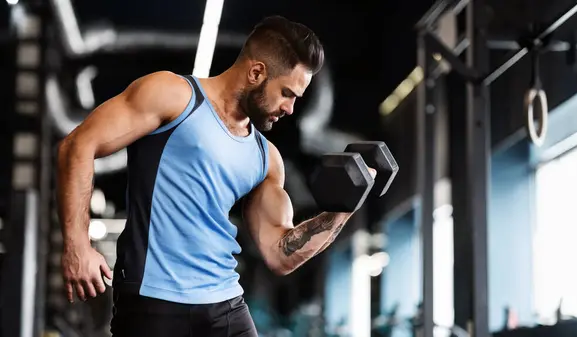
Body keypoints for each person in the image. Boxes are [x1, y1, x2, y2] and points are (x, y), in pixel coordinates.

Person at [57, 15, 375, 337]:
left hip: (224, 304)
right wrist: (77, 245)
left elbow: (280, 254)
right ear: (256, 72)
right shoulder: (173, 96)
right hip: (153, 302)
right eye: (287, 93)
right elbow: (78, 145)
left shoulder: (266, 159)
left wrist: (343, 209)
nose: (290, 108)